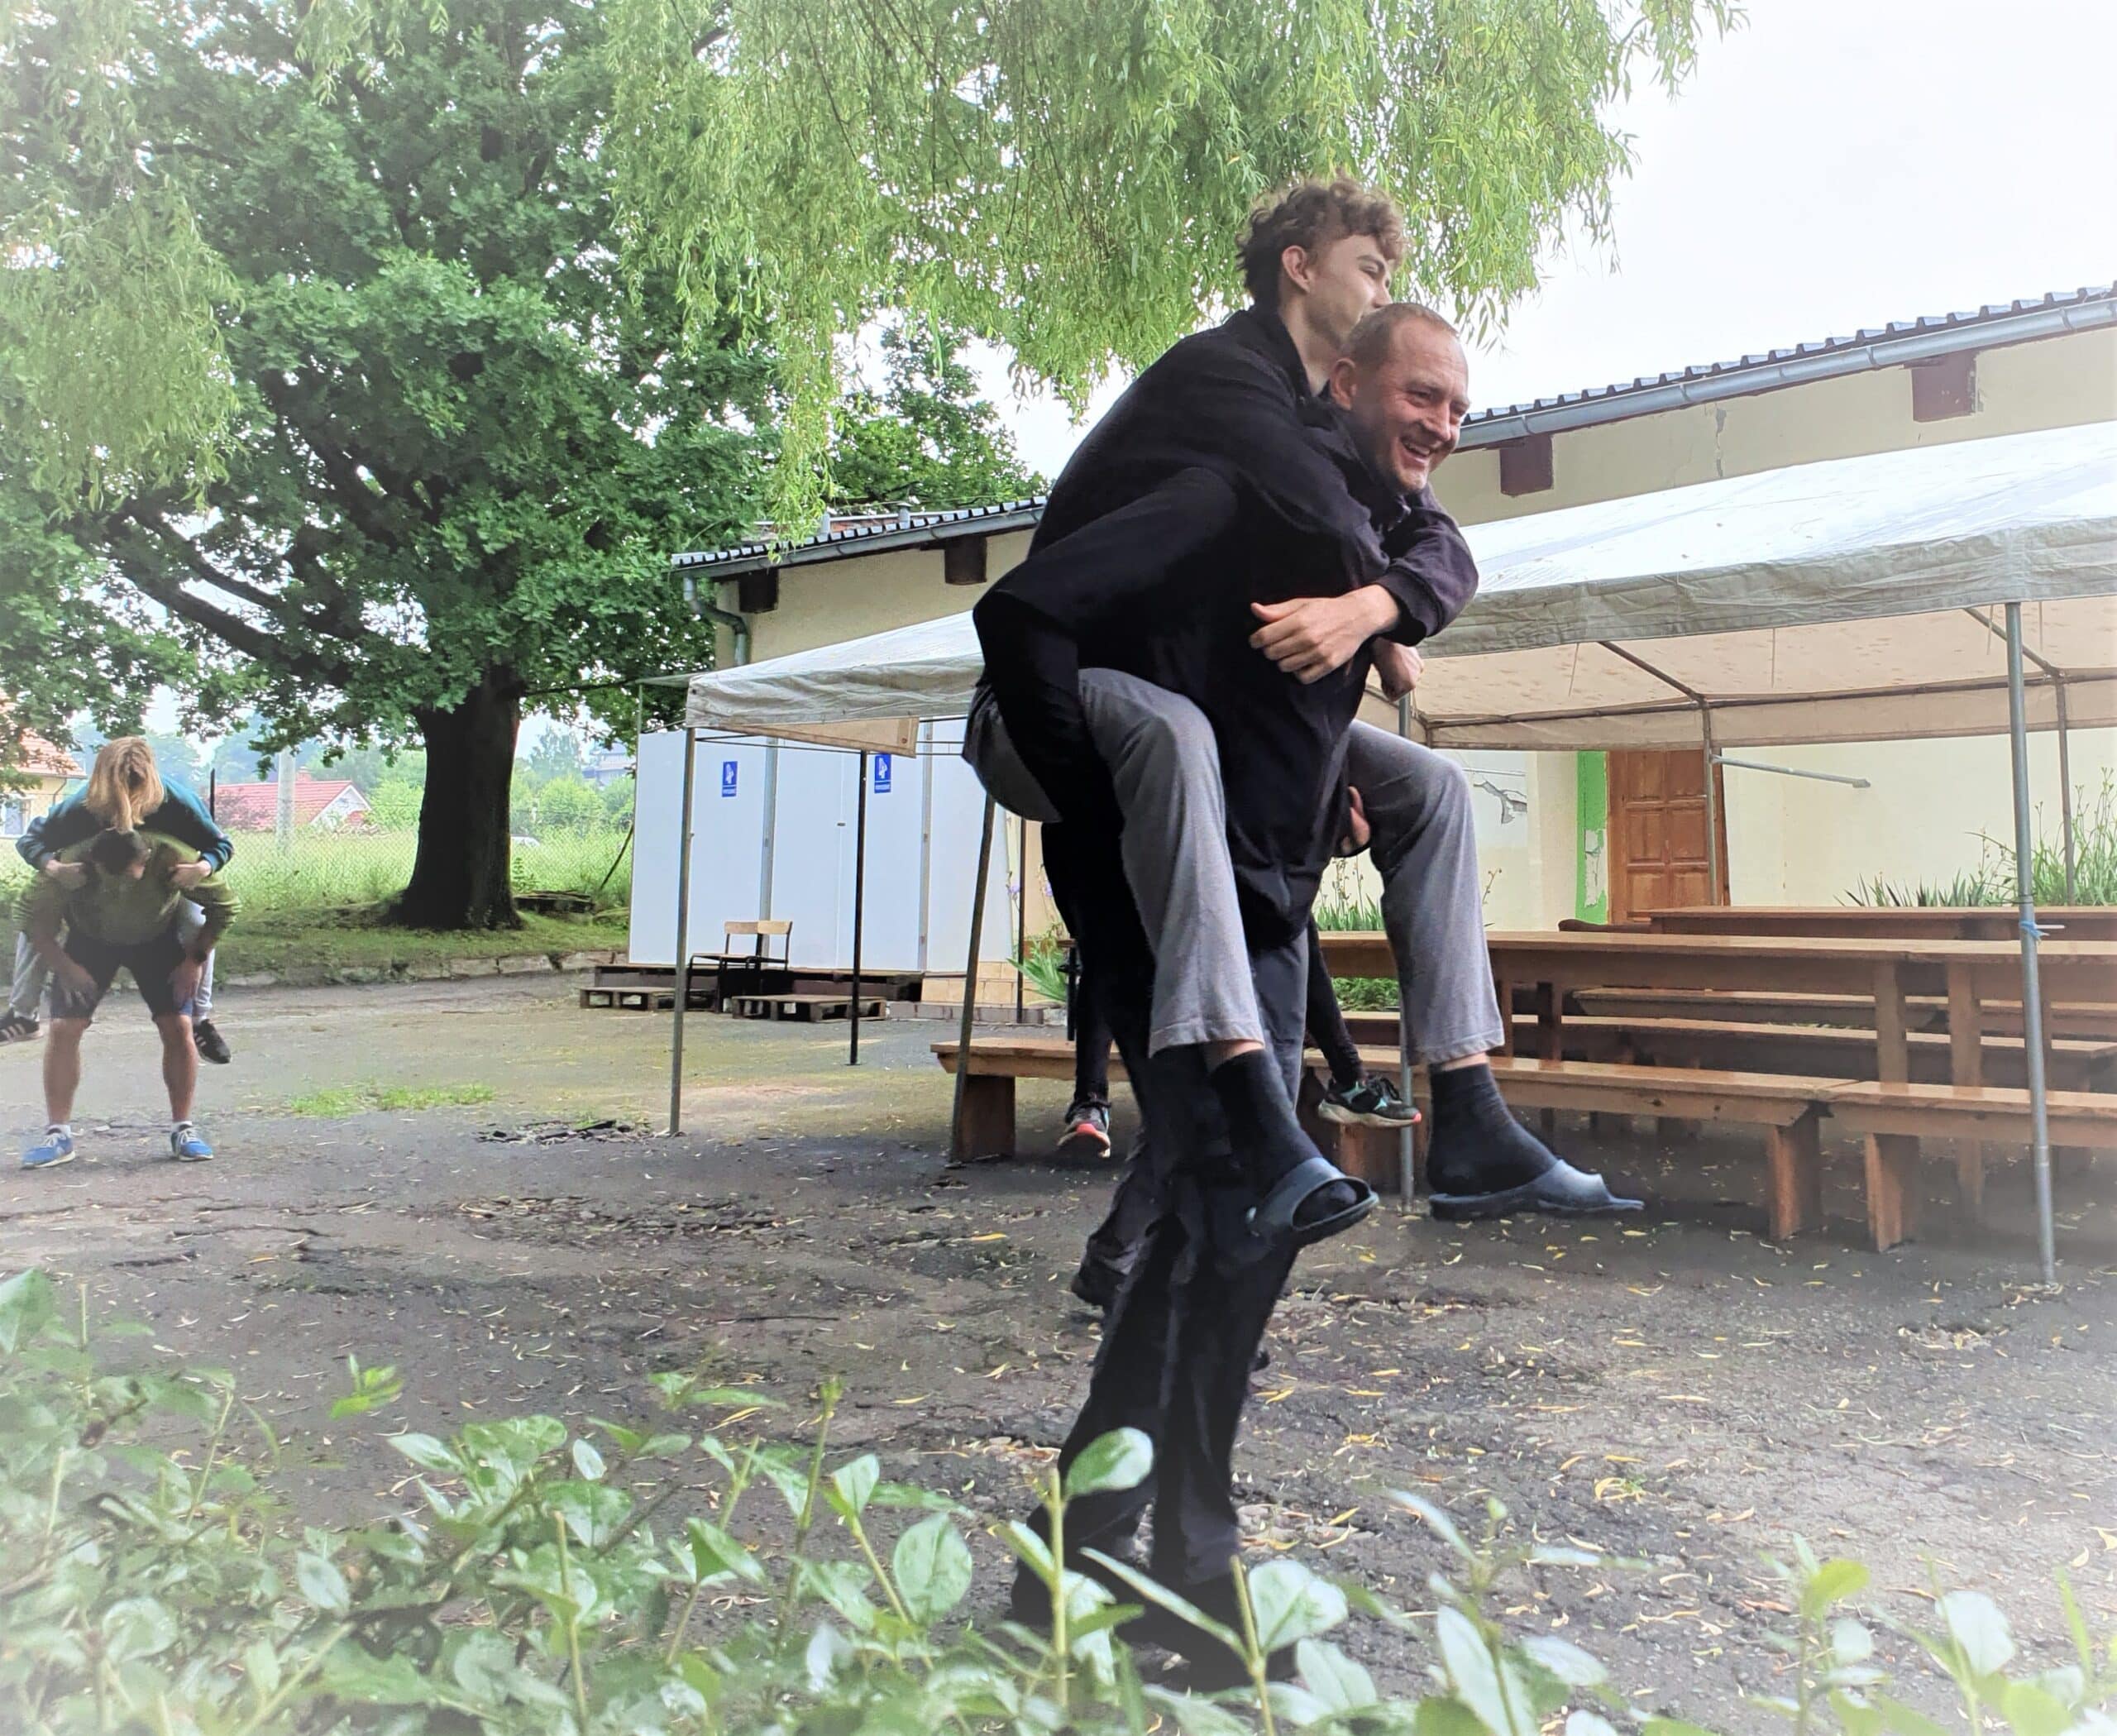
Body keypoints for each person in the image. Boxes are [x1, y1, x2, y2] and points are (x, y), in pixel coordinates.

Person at [969, 180, 1479, 1680]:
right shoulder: (1233, 396)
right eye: (1371, 271)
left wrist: (1377, 625)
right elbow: (1345, 523)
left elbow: (1426, 541)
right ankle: (1183, 1566)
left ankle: (1083, 1552)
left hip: (1236, 840)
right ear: (1301, 271)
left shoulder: (1304, 437)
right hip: (1120, 789)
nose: (1435, 418)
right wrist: (1382, 611)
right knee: (1226, 1188)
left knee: (1229, 1198)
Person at [17, 825, 239, 1169]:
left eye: (129, 876)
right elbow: (28, 917)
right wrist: (64, 966)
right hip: (91, 939)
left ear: (146, 859)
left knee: (178, 1026)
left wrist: (193, 961)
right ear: (93, 861)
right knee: (63, 1028)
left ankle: (183, 1129)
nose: (120, 885)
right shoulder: (70, 863)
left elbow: (225, 906)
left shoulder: (171, 856)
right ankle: (58, 1134)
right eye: (111, 878)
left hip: (156, 938)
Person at [2, 738, 236, 1064]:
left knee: (197, 920)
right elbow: (30, 841)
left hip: (166, 882)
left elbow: (221, 844)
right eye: (117, 788)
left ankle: (200, 1018)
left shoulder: (176, 803)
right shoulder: (81, 806)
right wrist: (54, 868)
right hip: (92, 880)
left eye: (135, 785)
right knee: (36, 917)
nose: (126, 796)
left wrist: (203, 867)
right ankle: (23, 1013)